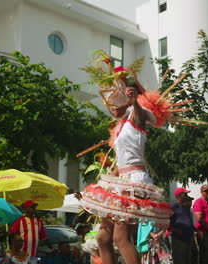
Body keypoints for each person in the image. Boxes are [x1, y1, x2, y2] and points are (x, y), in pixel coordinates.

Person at [79, 52, 194, 264]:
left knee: (120, 237)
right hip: (120, 180)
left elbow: (139, 114)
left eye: (120, 96)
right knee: (103, 237)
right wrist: (103, 184)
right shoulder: (121, 127)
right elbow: (120, 161)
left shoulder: (138, 119)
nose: (115, 102)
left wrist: (134, 102)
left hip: (134, 181)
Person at [170, 188, 194, 264]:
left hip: (187, 238)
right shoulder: (173, 206)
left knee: (187, 260)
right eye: (185, 194)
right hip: (178, 240)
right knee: (180, 260)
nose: (187, 196)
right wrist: (175, 229)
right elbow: (166, 222)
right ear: (180, 196)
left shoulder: (185, 207)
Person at [193, 185, 208, 264]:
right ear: (201, 192)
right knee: (206, 255)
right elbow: (199, 218)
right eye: (206, 191)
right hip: (204, 232)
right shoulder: (198, 202)